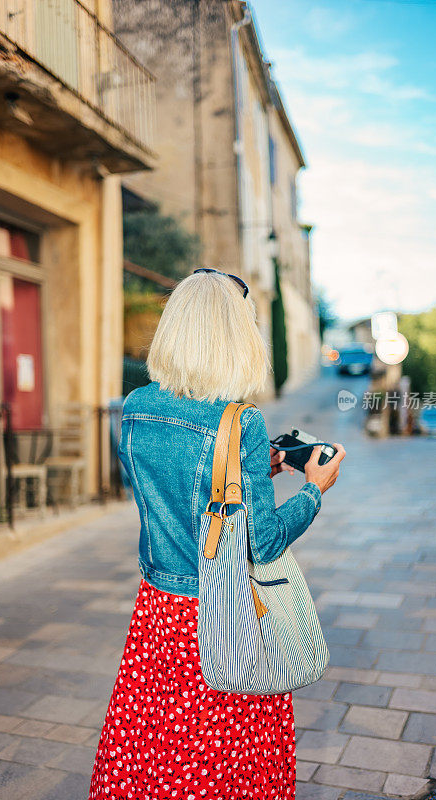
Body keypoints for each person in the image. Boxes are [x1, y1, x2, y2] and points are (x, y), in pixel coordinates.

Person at [89, 269, 346, 800]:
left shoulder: (135, 408)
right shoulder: (240, 421)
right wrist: (314, 489)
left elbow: (164, 485)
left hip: (158, 612)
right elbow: (263, 544)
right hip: (223, 612)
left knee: (154, 741)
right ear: (236, 338)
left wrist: (250, 473)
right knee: (225, 752)